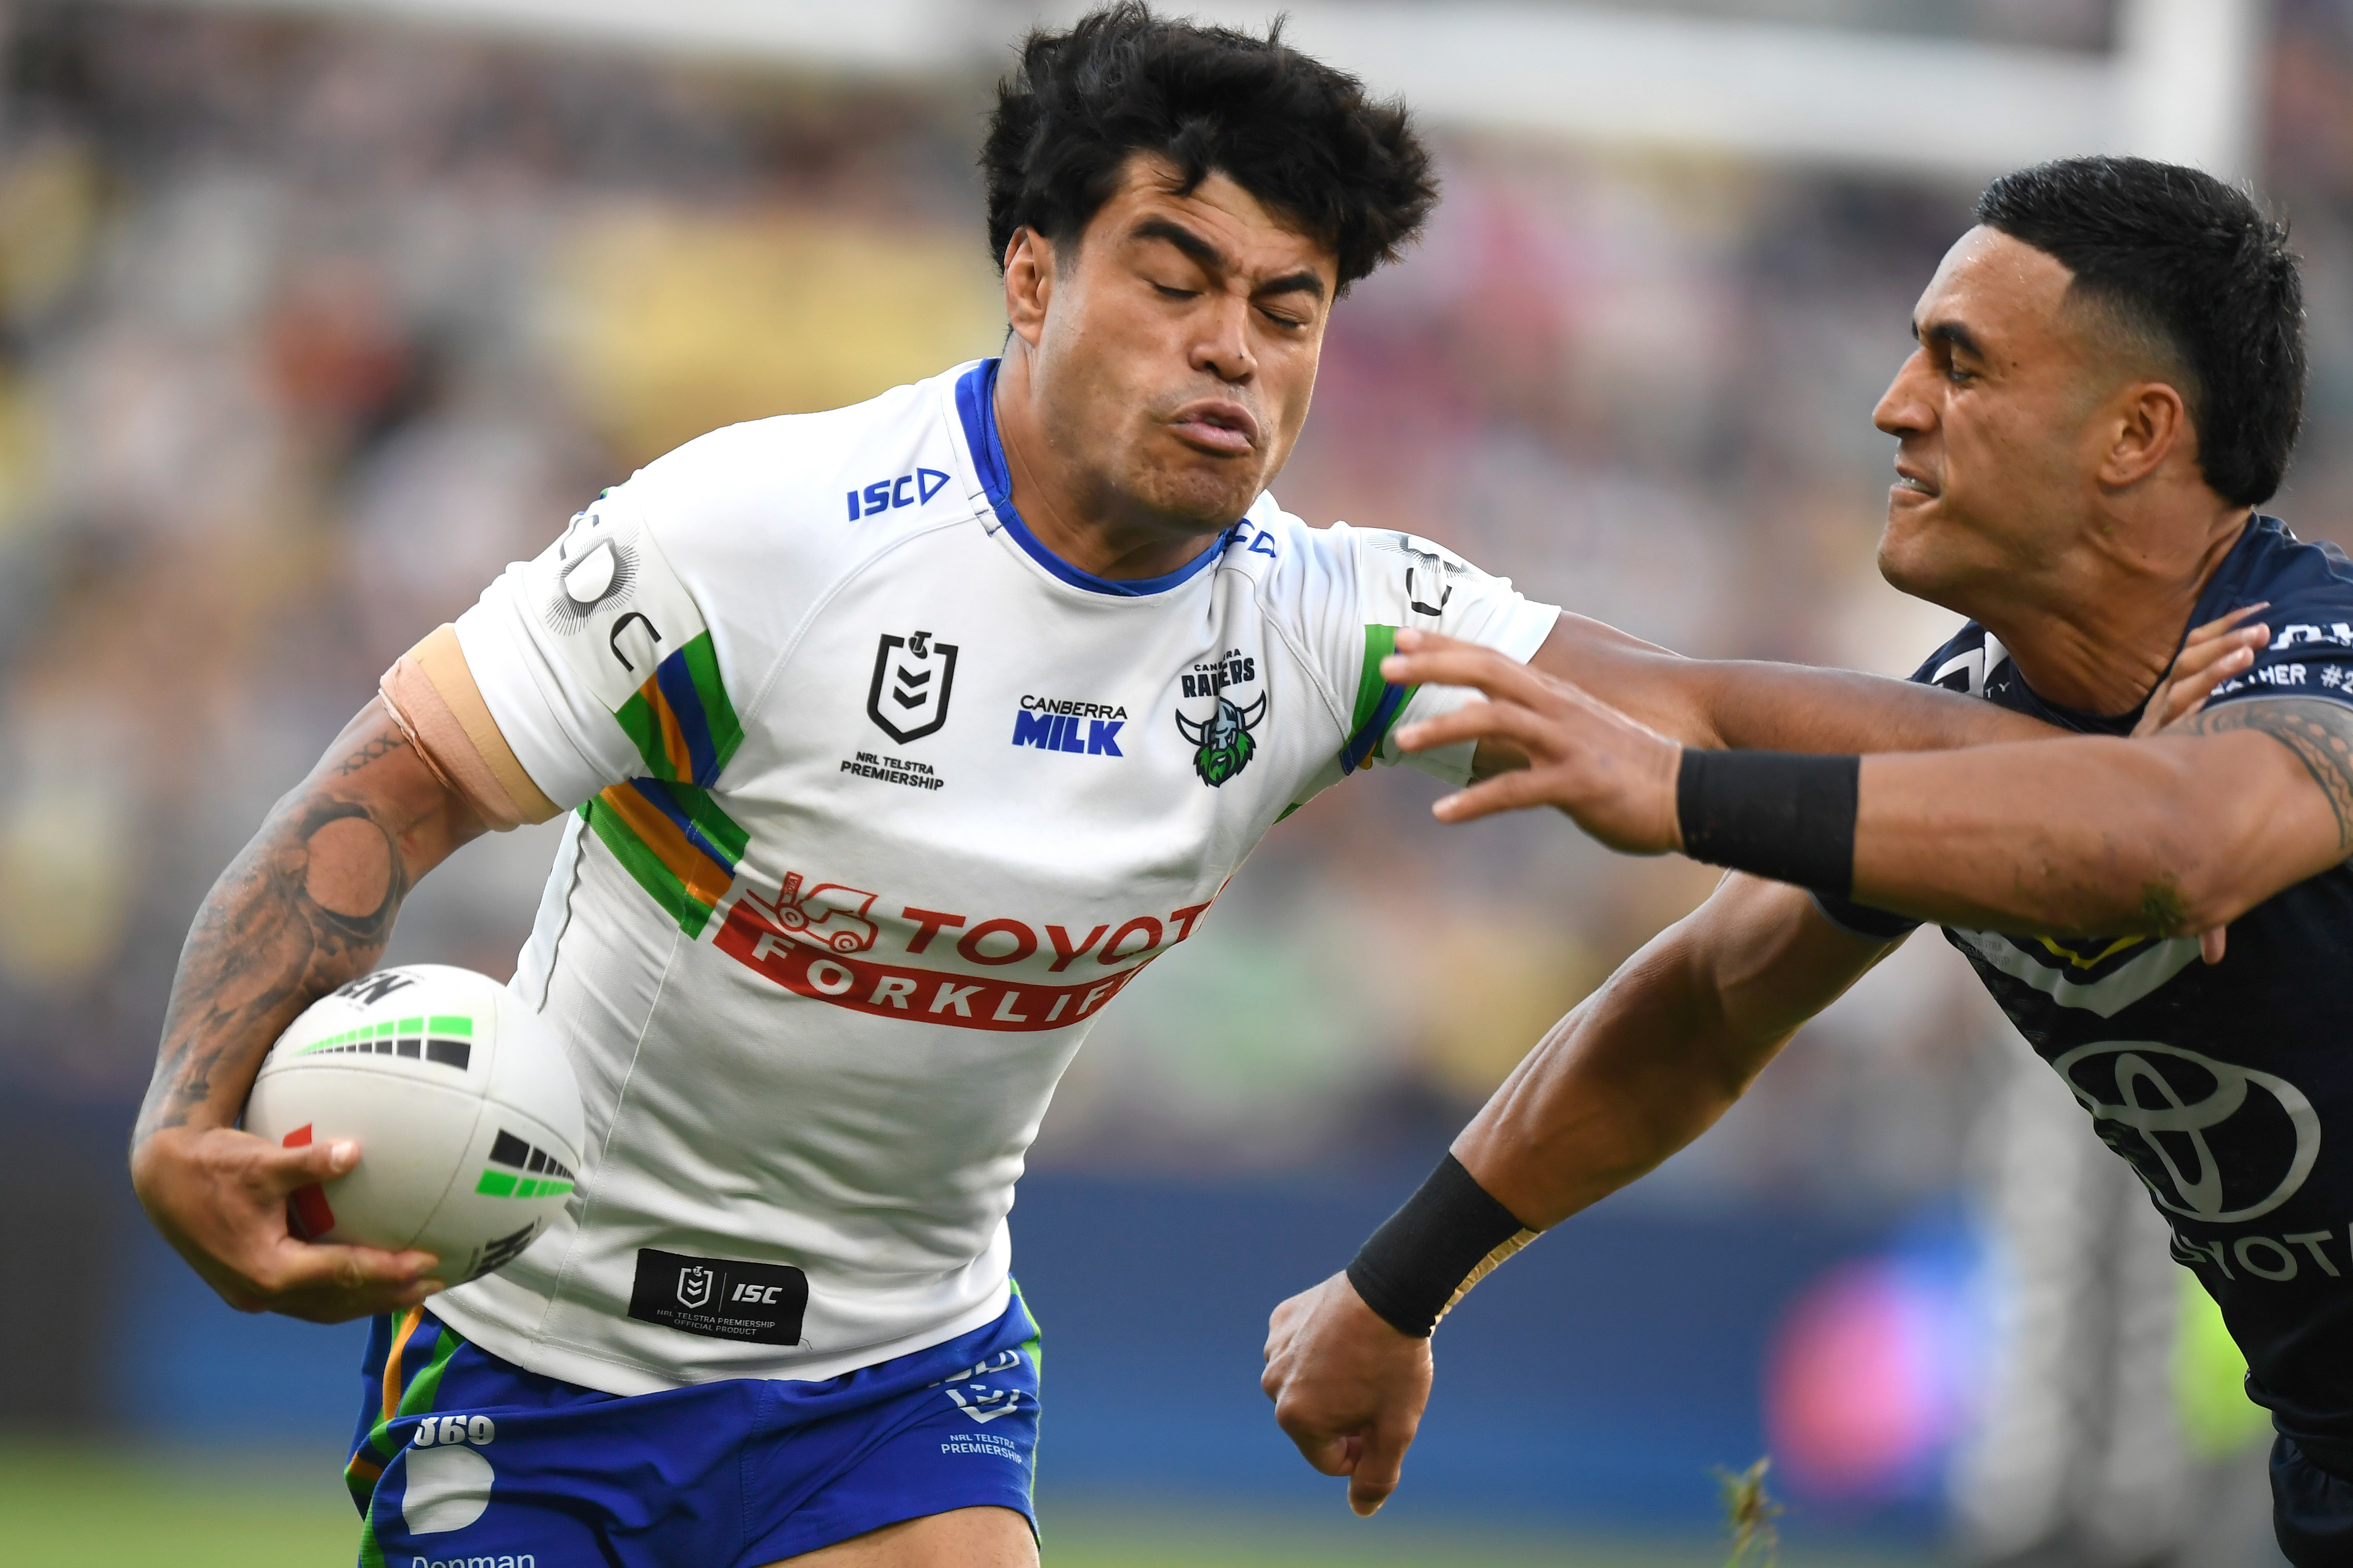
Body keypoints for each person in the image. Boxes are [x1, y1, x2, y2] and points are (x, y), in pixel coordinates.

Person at [128, 9, 2081, 1566]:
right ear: (1033, 275)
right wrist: (189, 1108)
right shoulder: (766, 532)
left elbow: (1723, 714)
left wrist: (2123, 756)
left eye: (1290, 307)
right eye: (1179, 279)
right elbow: (385, 790)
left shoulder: (1325, 622)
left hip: (895, 1393)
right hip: (540, 1358)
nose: (1234, 351)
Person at [1256, 156, 2353, 1565]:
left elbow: (2183, 843)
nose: (1896, 405)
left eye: (1961, 364)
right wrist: (1394, 1291)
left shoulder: (2311, 653)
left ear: (2137, 432)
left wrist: (1691, 793)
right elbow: (1706, 1006)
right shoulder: (1976, 715)